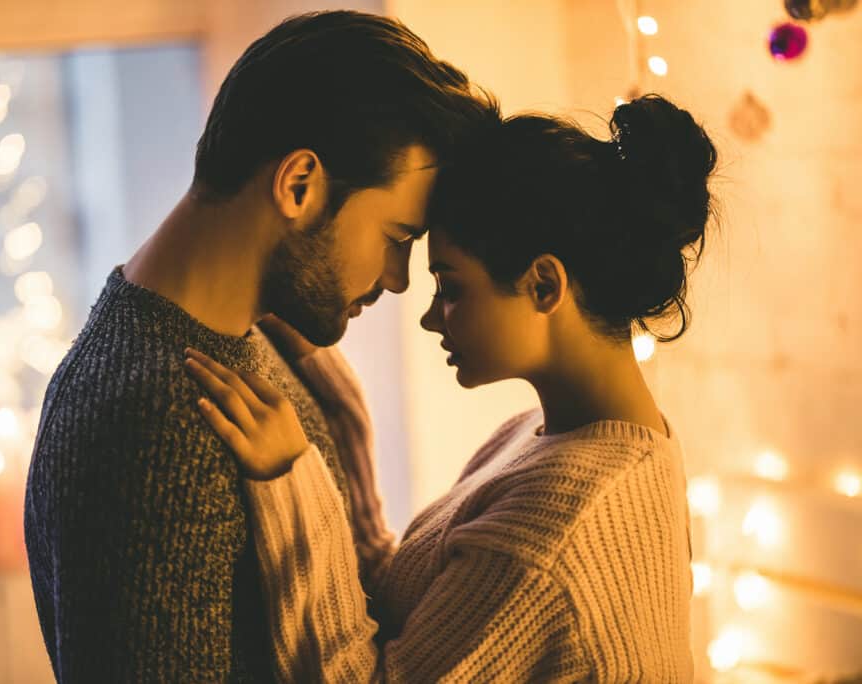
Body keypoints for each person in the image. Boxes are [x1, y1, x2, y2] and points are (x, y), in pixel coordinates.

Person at [22, 9, 497, 683]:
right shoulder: (159, 423)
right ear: (299, 185)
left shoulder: (243, 340)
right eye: (396, 237)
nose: (396, 280)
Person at [185, 94, 718, 682]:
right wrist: (329, 394)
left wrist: (288, 476)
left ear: (543, 285)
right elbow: (405, 606)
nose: (431, 317)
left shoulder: (559, 526)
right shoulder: (555, 436)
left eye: (450, 287)